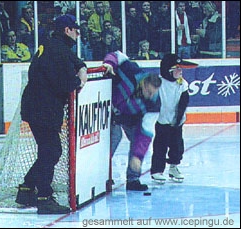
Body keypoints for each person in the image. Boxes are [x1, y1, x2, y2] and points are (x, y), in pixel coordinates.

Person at [16, 14, 87, 214]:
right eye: (76, 30)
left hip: (38, 107)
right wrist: (80, 80)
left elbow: (75, 61)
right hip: (42, 109)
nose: (78, 34)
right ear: (67, 30)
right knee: (51, 151)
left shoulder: (54, 46)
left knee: (49, 150)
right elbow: (66, 84)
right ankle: (44, 198)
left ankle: (27, 189)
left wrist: (81, 67)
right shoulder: (57, 51)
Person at [102, 51, 162, 191]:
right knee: (114, 138)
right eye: (148, 92)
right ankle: (101, 175)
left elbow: (146, 132)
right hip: (110, 110)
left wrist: (137, 156)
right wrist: (109, 64)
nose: (150, 96)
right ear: (144, 83)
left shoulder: (154, 103)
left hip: (131, 118)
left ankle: (133, 179)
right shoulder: (131, 71)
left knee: (137, 142)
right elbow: (117, 55)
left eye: (153, 93)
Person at [150, 53, 198, 184]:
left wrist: (177, 120)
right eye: (177, 69)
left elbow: (183, 102)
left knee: (177, 145)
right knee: (160, 146)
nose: (180, 71)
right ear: (169, 71)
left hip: (177, 120)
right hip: (162, 120)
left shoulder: (182, 84)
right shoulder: (158, 83)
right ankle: (156, 170)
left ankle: (173, 167)